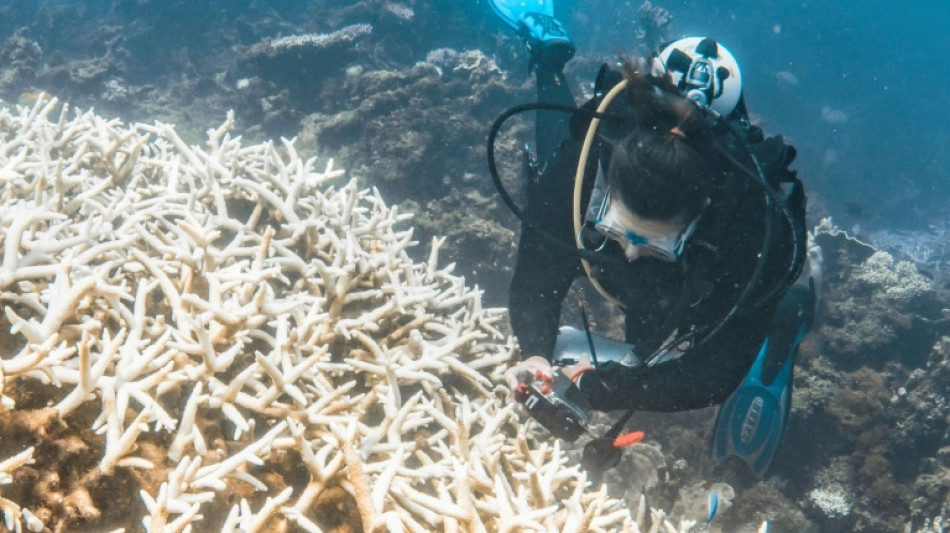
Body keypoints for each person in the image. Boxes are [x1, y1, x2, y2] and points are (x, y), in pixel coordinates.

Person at [486, 1, 818, 476]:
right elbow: (537, 275)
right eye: (616, 231)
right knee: (557, 150)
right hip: (600, 173)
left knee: (668, 329)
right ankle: (547, 52)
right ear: (605, 193)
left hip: (693, 284)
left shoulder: (751, 230)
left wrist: (617, 389)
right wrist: (534, 350)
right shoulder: (587, 165)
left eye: (654, 244)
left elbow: (716, 373)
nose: (629, 253)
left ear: (696, 225)